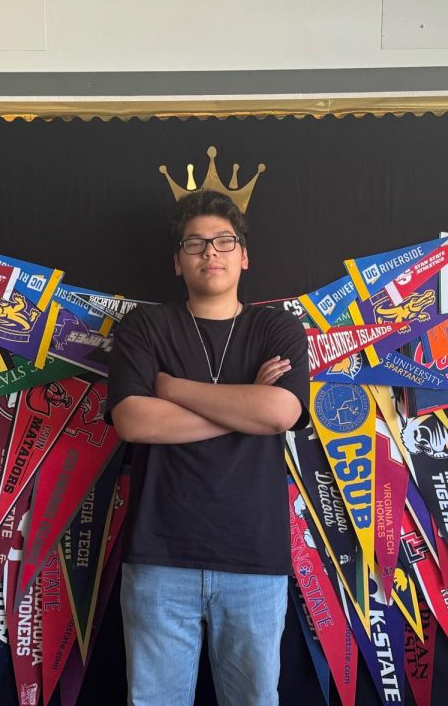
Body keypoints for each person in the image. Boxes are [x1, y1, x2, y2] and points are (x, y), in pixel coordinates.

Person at [106, 189, 309, 706]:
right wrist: (246, 409)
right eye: (195, 244)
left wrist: (172, 390)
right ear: (178, 262)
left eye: (223, 242)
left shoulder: (275, 328)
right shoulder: (145, 327)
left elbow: (281, 413)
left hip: (254, 563)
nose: (210, 254)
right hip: (158, 559)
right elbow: (133, 420)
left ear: (244, 255)